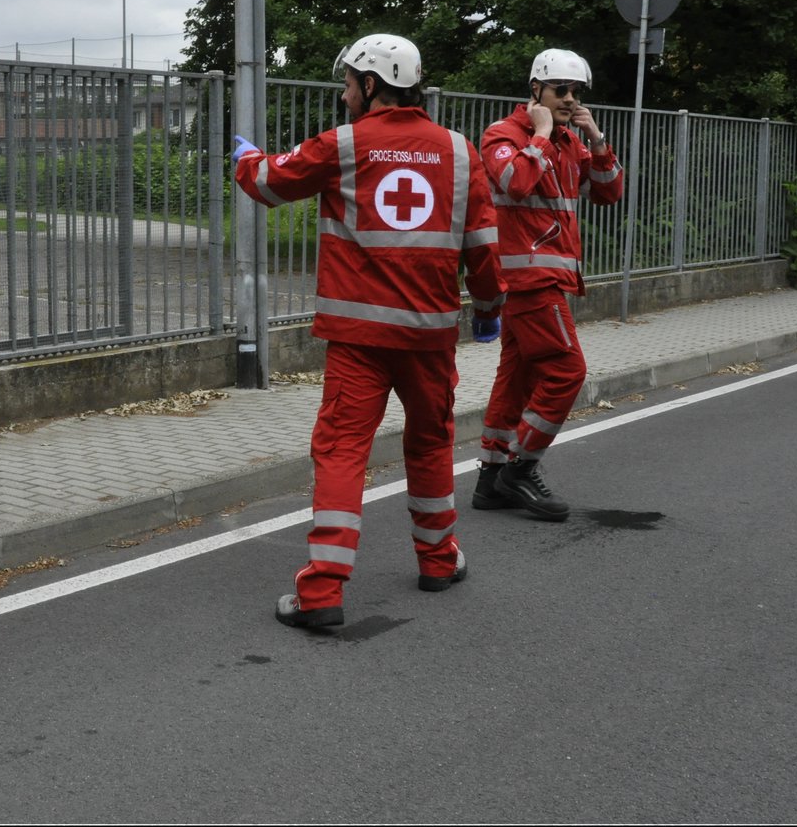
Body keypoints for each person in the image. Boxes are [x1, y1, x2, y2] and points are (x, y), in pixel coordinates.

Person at [232, 33, 503, 629]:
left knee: (341, 450)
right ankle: (438, 560)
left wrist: (244, 158)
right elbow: (484, 247)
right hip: (430, 337)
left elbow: (271, 183)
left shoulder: (345, 145)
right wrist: (486, 309)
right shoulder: (460, 153)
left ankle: (322, 593)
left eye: (350, 83)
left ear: (372, 84)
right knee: (431, 443)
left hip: (359, 339)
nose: (345, 93)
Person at [471, 48, 623, 520]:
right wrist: (538, 134)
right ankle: (521, 470)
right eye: (562, 90)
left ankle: (491, 481)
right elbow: (516, 181)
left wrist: (595, 138)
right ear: (536, 89)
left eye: (576, 92)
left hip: (546, 277)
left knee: (515, 383)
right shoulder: (503, 135)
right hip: (529, 279)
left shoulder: (569, 140)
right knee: (566, 372)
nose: (569, 99)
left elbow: (609, 190)